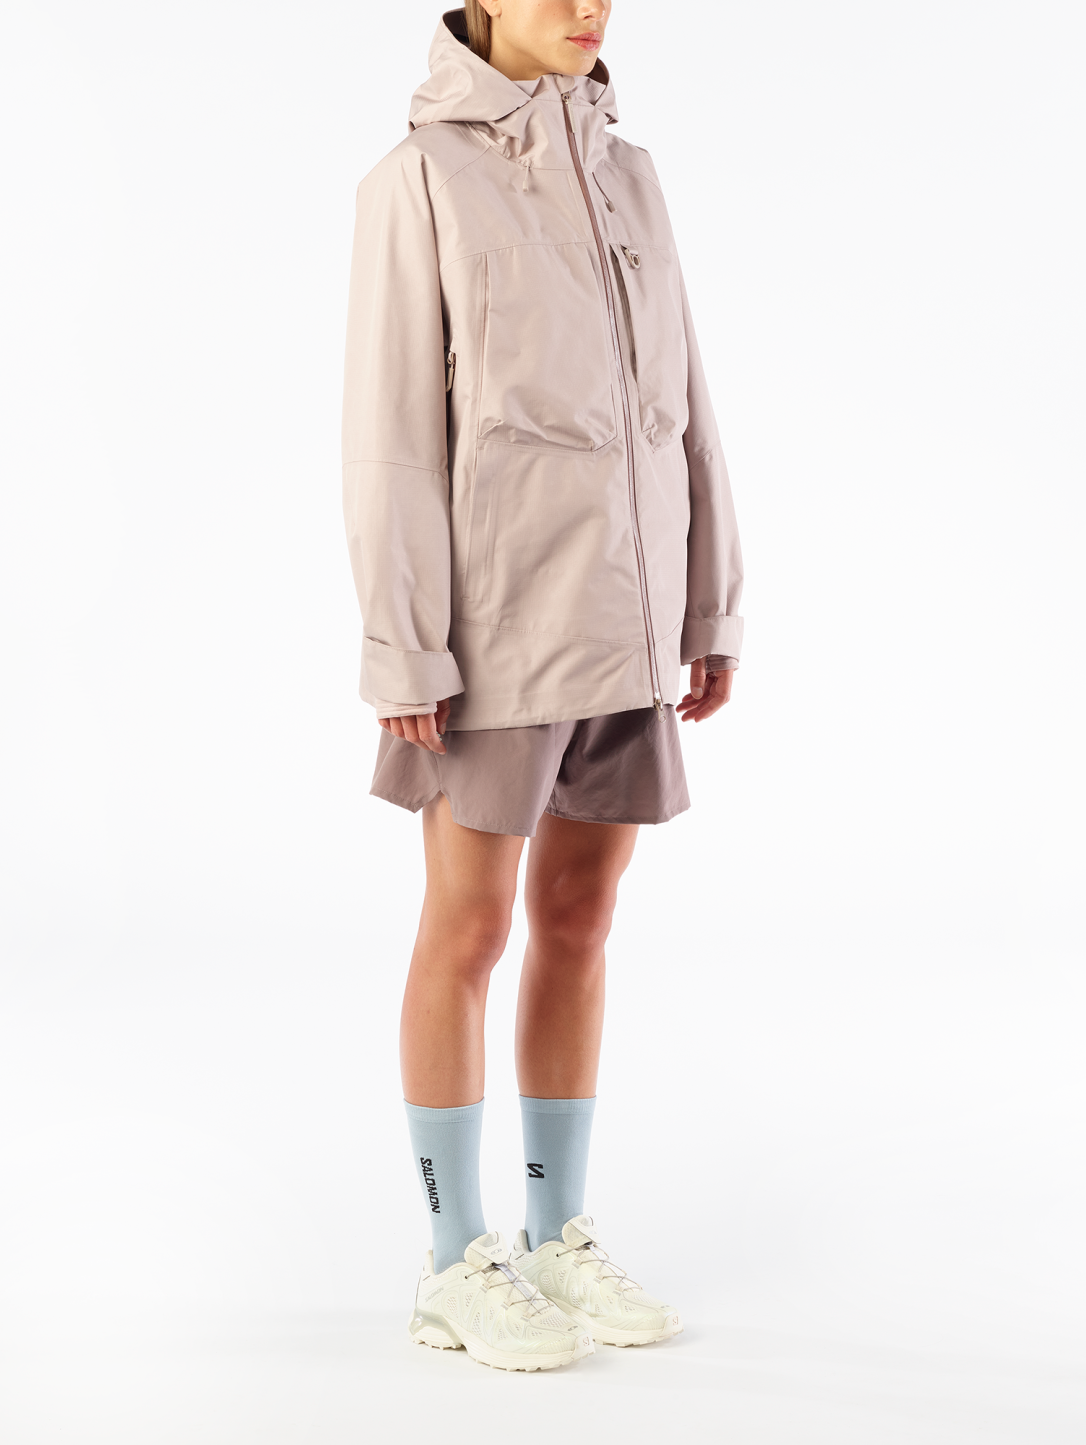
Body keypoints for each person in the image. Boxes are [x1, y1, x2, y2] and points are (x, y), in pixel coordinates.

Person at [341, 2, 743, 1372]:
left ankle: (556, 1233)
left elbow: (687, 400)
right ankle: (455, 1262)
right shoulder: (417, 182)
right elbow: (390, 435)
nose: (589, 9)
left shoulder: (634, 173)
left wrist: (708, 598)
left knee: (580, 919)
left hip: (628, 620)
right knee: (468, 929)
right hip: (497, 630)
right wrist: (404, 644)